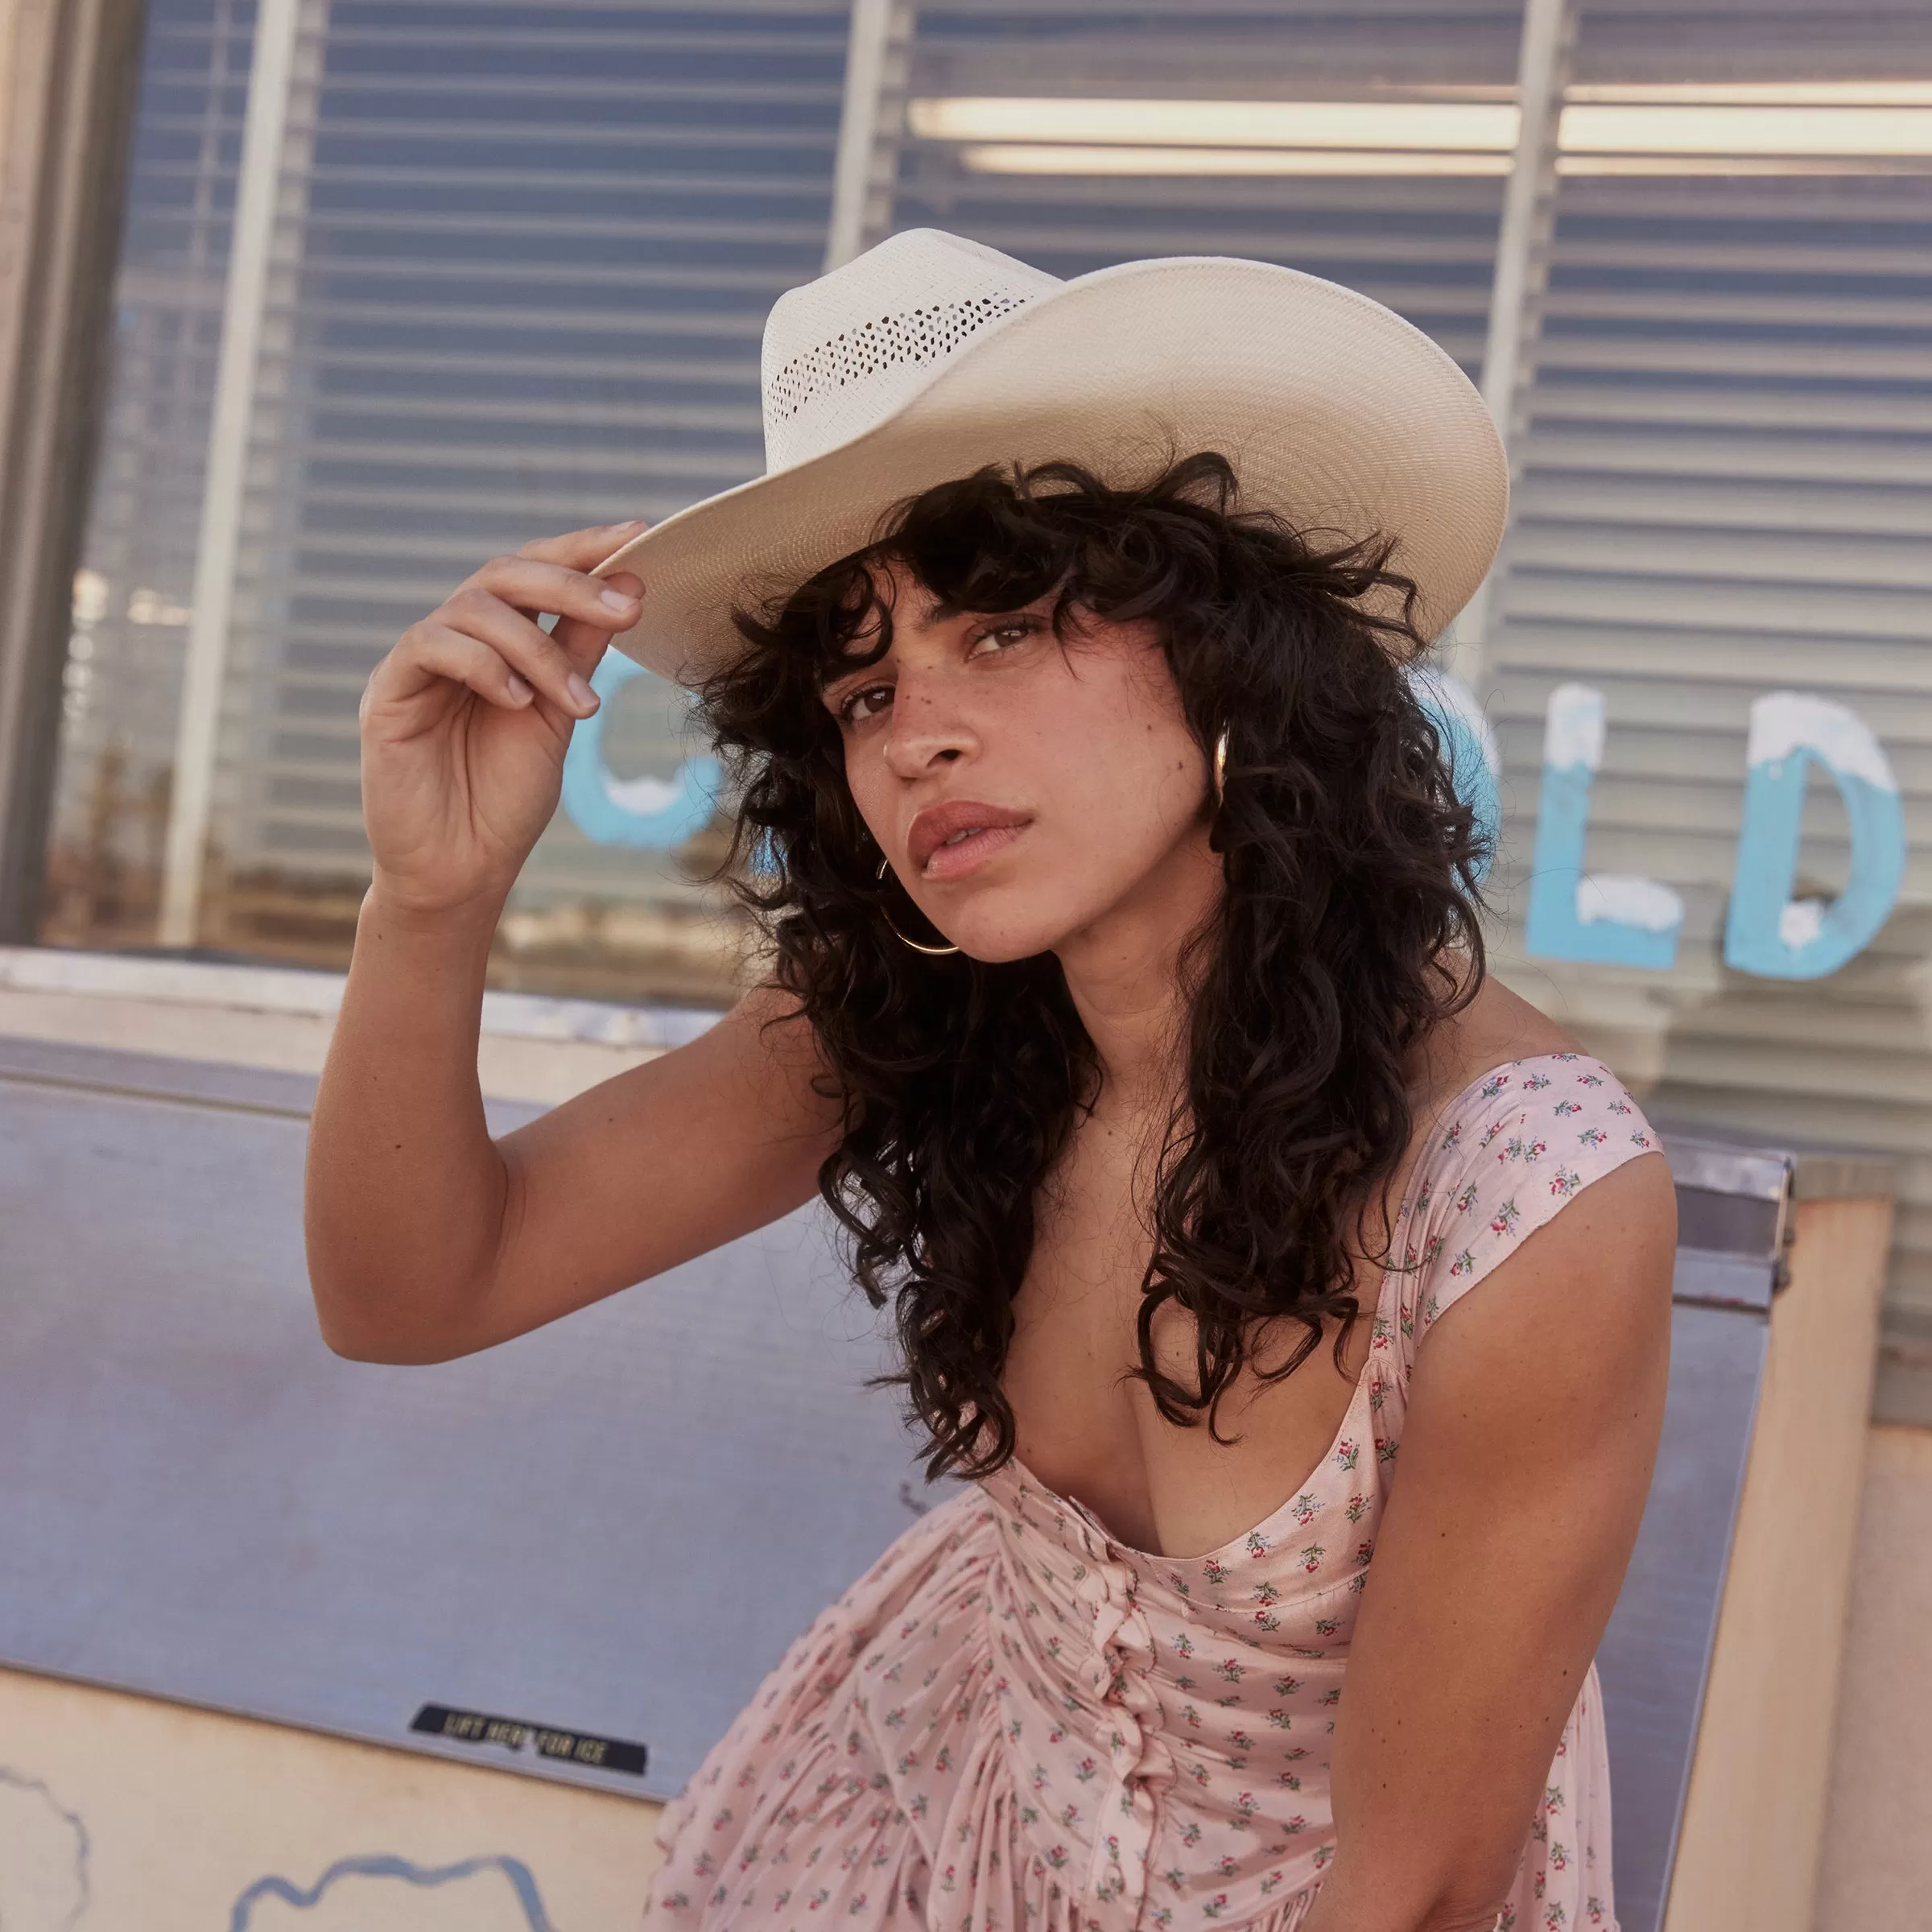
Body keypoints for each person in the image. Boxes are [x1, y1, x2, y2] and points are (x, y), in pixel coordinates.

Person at [305, 230, 1676, 1932]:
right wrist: (431, 900)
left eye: (1006, 630)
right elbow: (412, 1289)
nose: (915, 734)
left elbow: (1417, 1892)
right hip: (946, 1842)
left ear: (1229, 651)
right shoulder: (931, 1019)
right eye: (865, 686)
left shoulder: (1521, 1191)